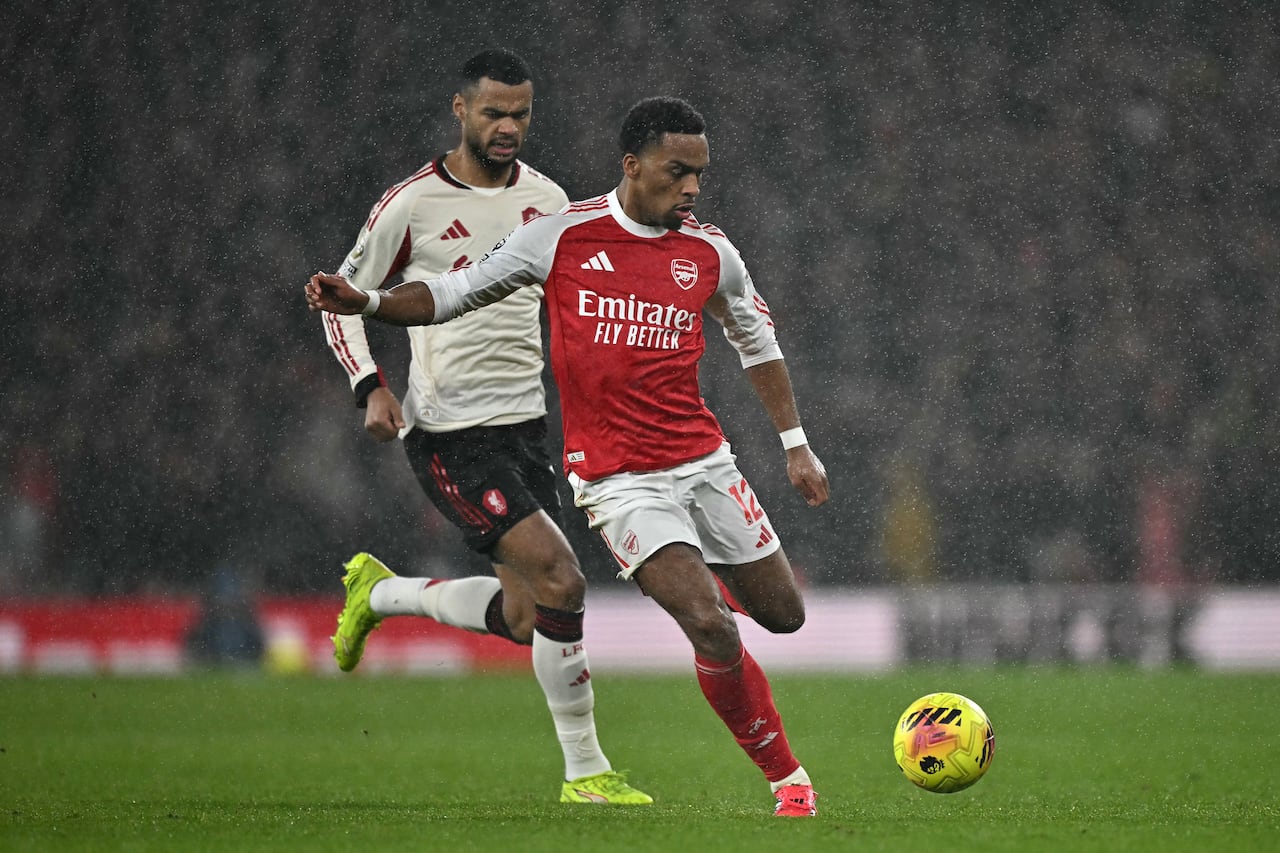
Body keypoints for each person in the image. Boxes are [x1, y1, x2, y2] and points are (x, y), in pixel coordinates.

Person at [308, 95, 830, 818]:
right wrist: (365, 303)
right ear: (632, 165)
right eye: (678, 172)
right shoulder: (560, 236)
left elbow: (757, 340)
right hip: (618, 481)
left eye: (699, 175)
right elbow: (449, 293)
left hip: (706, 464)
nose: (691, 189)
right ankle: (787, 779)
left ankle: (707, 593)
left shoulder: (711, 252)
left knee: (784, 615)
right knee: (709, 621)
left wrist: (795, 446)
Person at [318, 49, 650, 806]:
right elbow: (344, 300)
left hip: (528, 428)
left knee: (533, 615)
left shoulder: (550, 198)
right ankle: (586, 773)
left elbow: (574, 303)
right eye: (495, 112)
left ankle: (382, 595)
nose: (509, 127)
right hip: (448, 434)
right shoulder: (410, 205)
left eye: (521, 114)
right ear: (460, 111)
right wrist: (370, 386)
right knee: (563, 575)